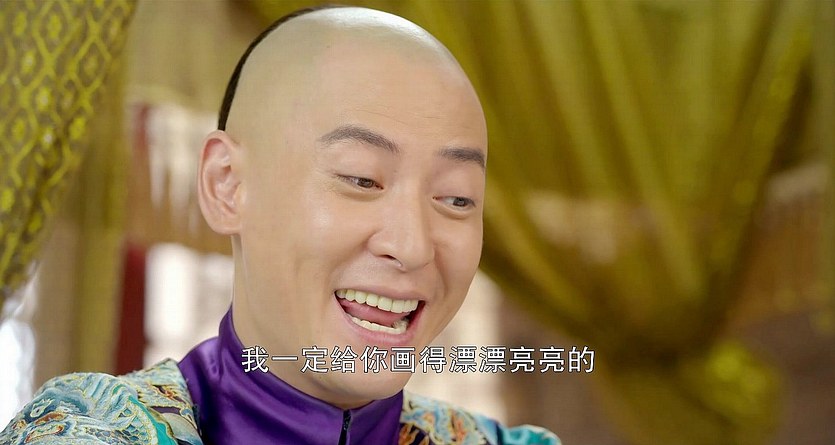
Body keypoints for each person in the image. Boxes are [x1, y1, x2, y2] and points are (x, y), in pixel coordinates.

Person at [0, 5, 559, 445]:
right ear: (227, 185)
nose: (412, 246)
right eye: (362, 179)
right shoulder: (89, 432)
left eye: (457, 198)